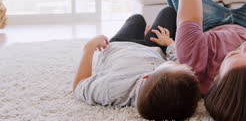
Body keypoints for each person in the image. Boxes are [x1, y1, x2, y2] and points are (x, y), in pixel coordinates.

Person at [72, 7, 201, 121]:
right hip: (154, 47)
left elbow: (79, 85)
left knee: (136, 19)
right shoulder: (178, 86)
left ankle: (142, 33)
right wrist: (170, 43)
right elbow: (179, 62)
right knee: (169, 11)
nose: (175, 61)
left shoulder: (111, 89)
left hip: (121, 46)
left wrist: (89, 47)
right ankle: (147, 36)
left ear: (146, 76)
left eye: (170, 63)